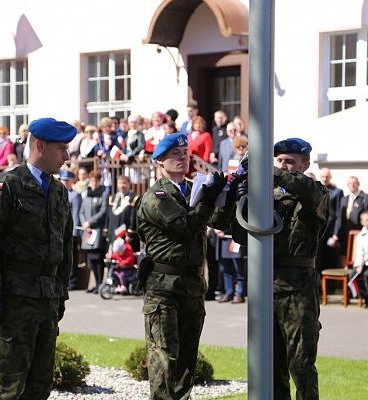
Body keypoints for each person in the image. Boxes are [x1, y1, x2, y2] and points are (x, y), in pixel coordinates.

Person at [0, 117, 75, 399]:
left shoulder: (58, 192)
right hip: (14, 299)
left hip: (47, 298)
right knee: (9, 386)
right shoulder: (7, 185)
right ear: (40, 145)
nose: (67, 157)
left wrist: (61, 294)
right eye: (62, 149)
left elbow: (66, 246)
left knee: (40, 385)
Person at [136, 133, 234, 399]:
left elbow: (218, 221)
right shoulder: (156, 196)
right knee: (164, 361)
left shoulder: (193, 189)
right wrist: (208, 199)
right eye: (175, 154)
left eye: (185, 153)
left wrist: (227, 195)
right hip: (163, 288)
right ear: (160, 161)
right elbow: (184, 225)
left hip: (191, 285)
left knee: (187, 361)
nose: (182, 158)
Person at [233, 138, 329, 399]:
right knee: (271, 366)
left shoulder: (316, 193)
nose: (284, 166)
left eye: (290, 162)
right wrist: (237, 196)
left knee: (301, 364)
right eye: (279, 161)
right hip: (267, 286)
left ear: (305, 164)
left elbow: (305, 190)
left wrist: (265, 171)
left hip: (297, 291)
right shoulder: (267, 197)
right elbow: (243, 236)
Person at [332, 176, 368, 262]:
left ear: (358, 184)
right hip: (345, 233)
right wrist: (336, 234)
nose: (352, 185)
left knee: (356, 257)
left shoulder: (367, 198)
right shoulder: (344, 199)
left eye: (354, 183)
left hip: (359, 234)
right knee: (343, 255)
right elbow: (339, 217)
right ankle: (344, 273)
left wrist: (363, 231)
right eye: (349, 183)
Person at [79, 171, 108, 294]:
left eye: (96, 181)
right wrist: (84, 222)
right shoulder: (86, 194)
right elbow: (81, 211)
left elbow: (103, 212)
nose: (93, 183)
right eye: (91, 181)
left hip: (97, 231)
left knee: (98, 257)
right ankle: (96, 284)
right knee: (91, 258)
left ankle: (100, 284)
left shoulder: (103, 194)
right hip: (88, 231)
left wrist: (90, 222)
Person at [316, 168, 344, 271]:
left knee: (330, 259)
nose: (324, 178)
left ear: (330, 177)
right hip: (318, 230)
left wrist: (335, 234)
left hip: (330, 231)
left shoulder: (337, 192)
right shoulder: (315, 189)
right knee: (317, 259)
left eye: (327, 176)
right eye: (322, 176)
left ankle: (330, 286)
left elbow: (339, 215)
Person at [59, 169, 83, 291]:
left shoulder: (75, 195)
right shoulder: (58, 193)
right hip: (59, 231)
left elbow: (76, 214)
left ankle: (72, 281)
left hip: (70, 231)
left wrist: (74, 232)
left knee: (70, 257)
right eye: (63, 180)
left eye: (67, 181)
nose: (65, 183)